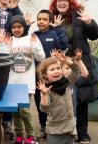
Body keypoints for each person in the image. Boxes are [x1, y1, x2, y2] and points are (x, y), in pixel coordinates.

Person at [49, 0, 98, 144]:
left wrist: (89, 22)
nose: (62, 3)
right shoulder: (52, 17)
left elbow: (95, 35)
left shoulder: (78, 18)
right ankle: (61, 131)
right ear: (55, 4)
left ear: (70, 2)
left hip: (78, 60)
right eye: (59, 1)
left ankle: (82, 133)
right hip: (60, 63)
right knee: (61, 97)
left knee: (81, 98)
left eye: (65, 0)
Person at [6, 15, 45, 144]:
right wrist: (5, 46)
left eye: (19, 27)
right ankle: (19, 136)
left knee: (24, 111)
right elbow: (4, 59)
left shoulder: (32, 38)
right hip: (12, 82)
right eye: (14, 27)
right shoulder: (9, 39)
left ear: (24, 27)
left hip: (26, 83)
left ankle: (30, 136)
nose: (16, 29)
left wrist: (34, 45)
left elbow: (41, 57)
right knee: (16, 112)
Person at [33, 9, 68, 139]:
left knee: (56, 103)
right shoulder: (33, 35)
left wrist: (58, 28)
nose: (41, 21)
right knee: (41, 102)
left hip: (55, 76)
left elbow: (63, 44)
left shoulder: (54, 34)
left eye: (44, 19)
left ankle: (57, 127)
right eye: (39, 19)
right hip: (39, 76)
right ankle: (43, 127)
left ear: (49, 22)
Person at [36, 56, 80, 144]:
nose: (56, 71)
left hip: (69, 128)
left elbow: (76, 70)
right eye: (52, 69)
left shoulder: (67, 82)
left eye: (58, 68)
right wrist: (44, 94)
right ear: (45, 74)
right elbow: (44, 109)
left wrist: (66, 60)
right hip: (55, 131)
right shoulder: (47, 89)